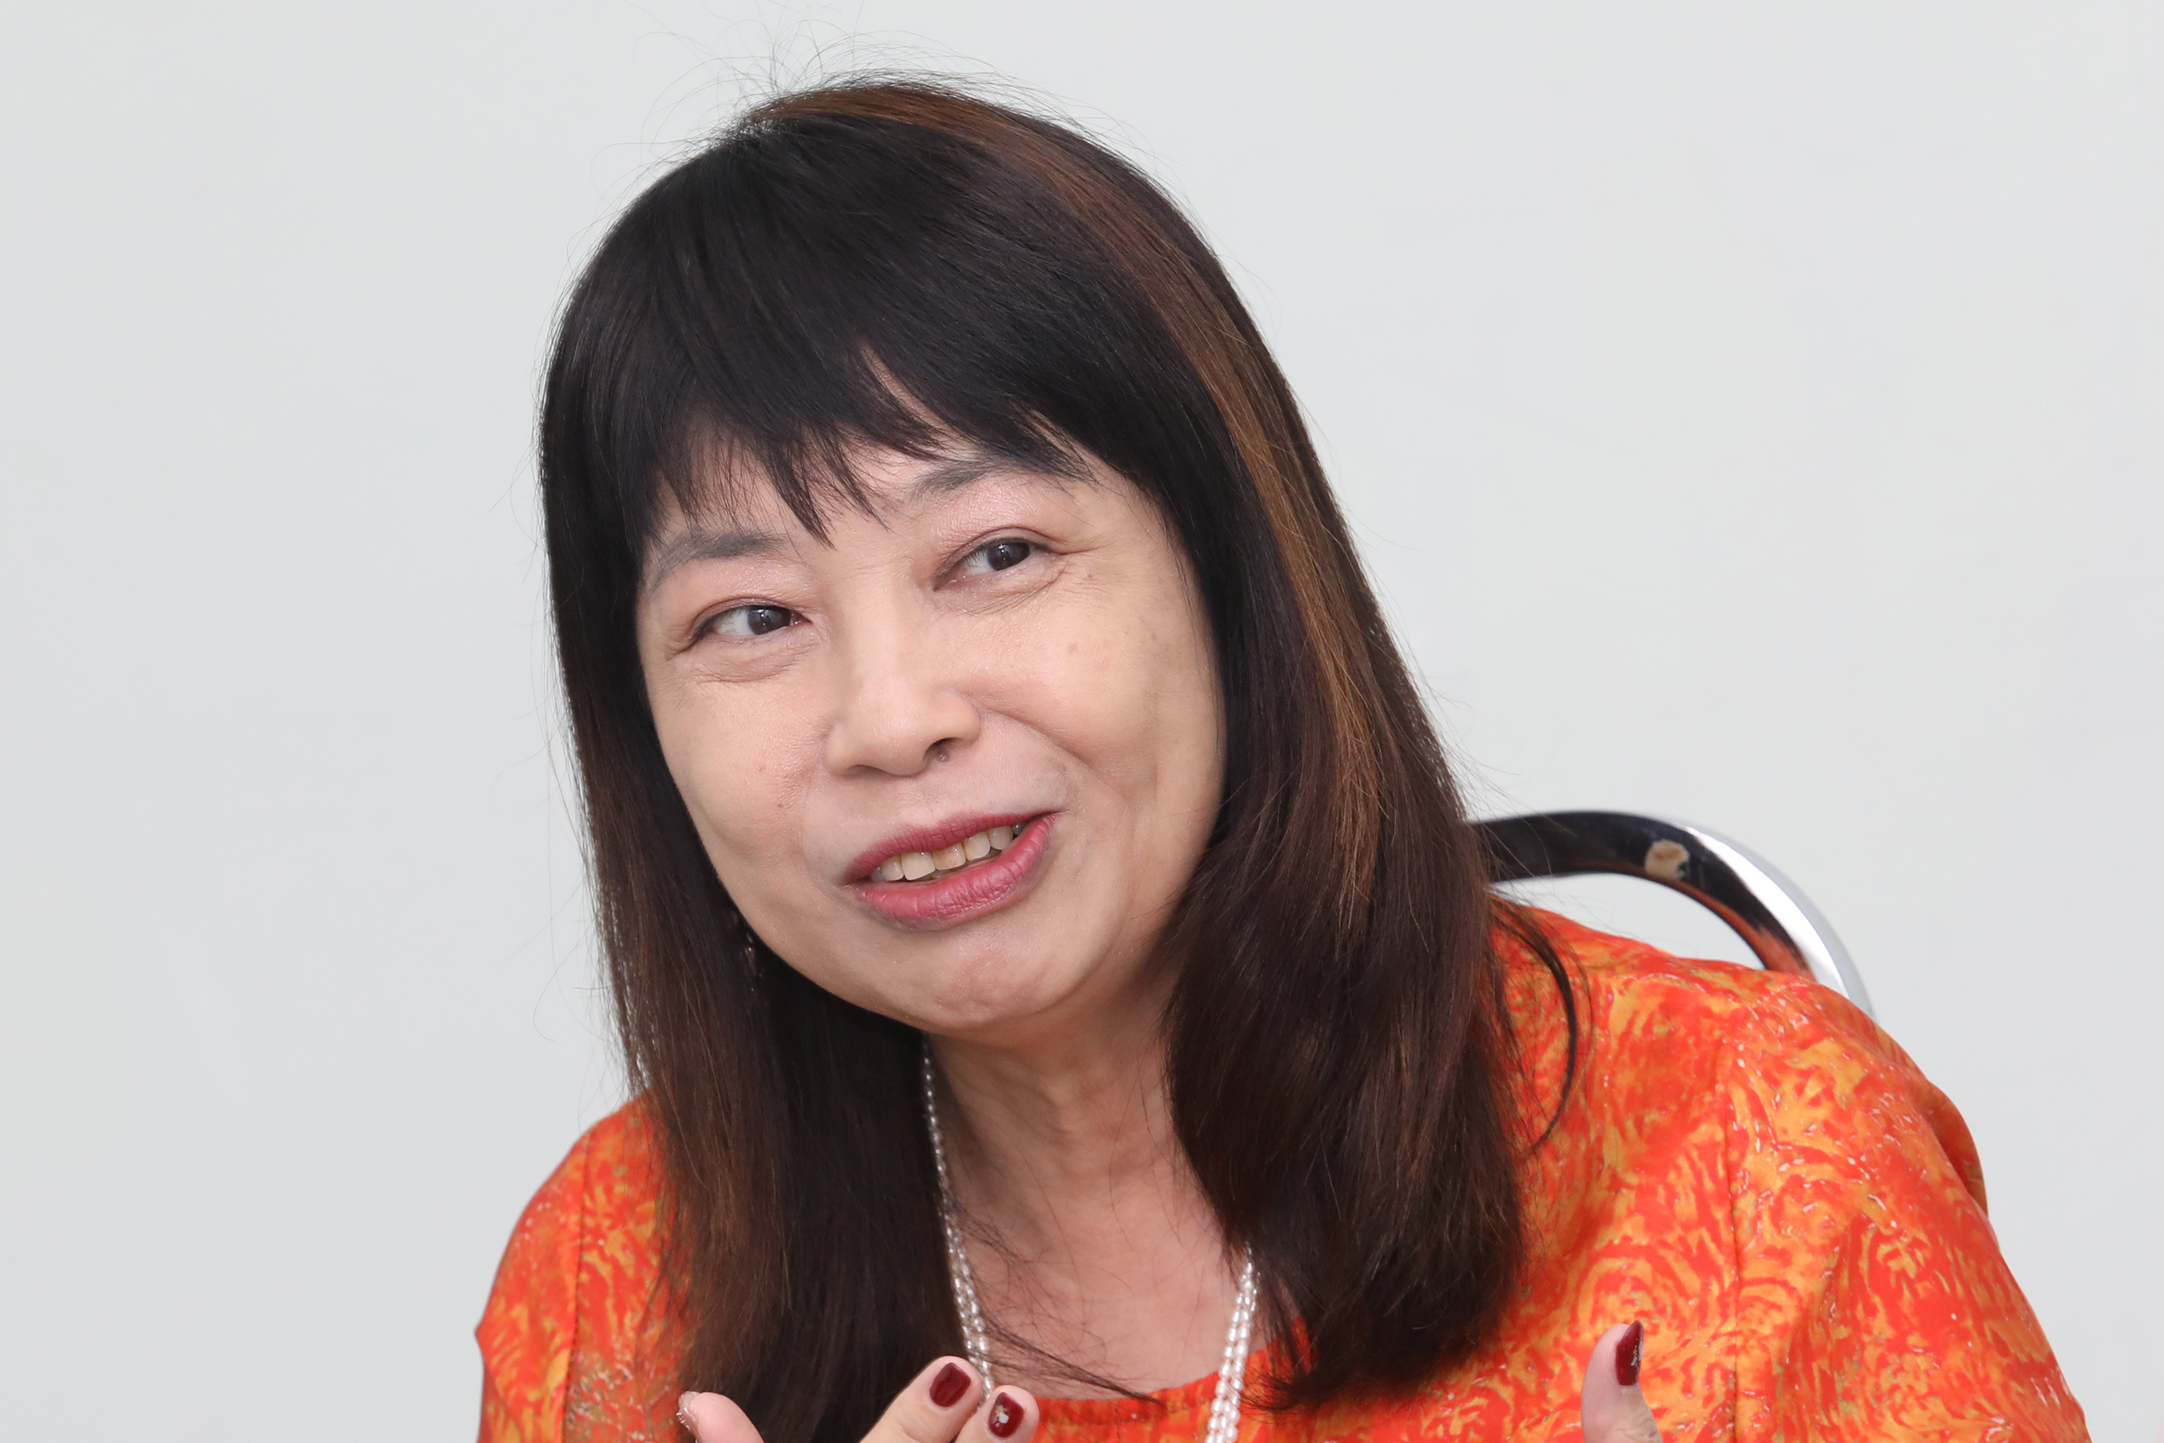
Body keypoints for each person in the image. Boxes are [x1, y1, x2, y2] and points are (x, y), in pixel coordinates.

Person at [477, 80, 2086, 1443]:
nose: (893, 720)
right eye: (751, 618)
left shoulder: (1758, 1159)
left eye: (997, 553)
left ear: (1230, 578)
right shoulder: (619, 1278)